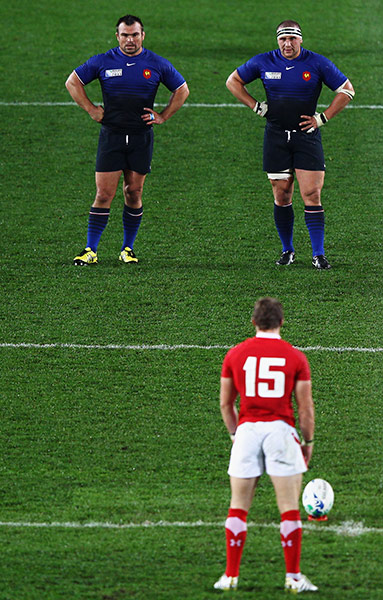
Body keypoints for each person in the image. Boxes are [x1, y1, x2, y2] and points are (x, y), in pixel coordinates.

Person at [226, 20, 355, 269]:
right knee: (282, 195)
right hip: (276, 137)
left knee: (312, 194)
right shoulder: (264, 61)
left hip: (306, 137)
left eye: (292, 39)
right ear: (277, 40)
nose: (287, 44)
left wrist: (322, 118)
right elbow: (233, 81)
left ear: (300, 39)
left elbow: (347, 90)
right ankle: (288, 251)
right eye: (283, 39)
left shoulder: (317, 63)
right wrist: (256, 106)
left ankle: (318, 254)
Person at [65, 14, 189, 265]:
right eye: (125, 35)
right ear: (117, 36)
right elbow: (73, 82)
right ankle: (90, 249)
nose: (130, 39)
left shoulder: (156, 63)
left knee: (133, 191)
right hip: (111, 136)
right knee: (103, 194)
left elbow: (182, 89)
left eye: (134, 35)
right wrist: (91, 109)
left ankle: (127, 248)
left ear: (143, 35)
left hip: (141, 137)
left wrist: (163, 116)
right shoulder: (103, 61)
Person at [214, 297, 317, 594]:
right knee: (288, 509)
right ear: (282, 322)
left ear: (254, 322)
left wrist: (236, 435)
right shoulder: (295, 357)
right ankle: (294, 578)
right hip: (281, 433)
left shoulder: (235, 354)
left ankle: (230, 577)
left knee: (238, 507)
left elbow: (225, 403)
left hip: (247, 432)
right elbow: (305, 408)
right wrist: (307, 442)